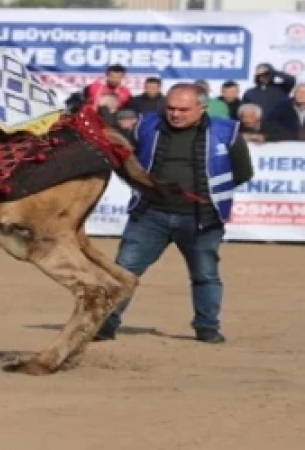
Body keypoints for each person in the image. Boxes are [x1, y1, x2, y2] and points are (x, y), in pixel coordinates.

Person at [97, 84, 254, 345]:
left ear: (202, 108)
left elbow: (243, 172)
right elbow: (123, 160)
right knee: (123, 271)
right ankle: (105, 325)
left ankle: (207, 327)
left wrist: (208, 195)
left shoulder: (227, 131)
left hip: (201, 218)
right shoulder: (145, 125)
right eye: (170, 108)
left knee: (205, 275)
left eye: (183, 109)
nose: (175, 114)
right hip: (150, 215)